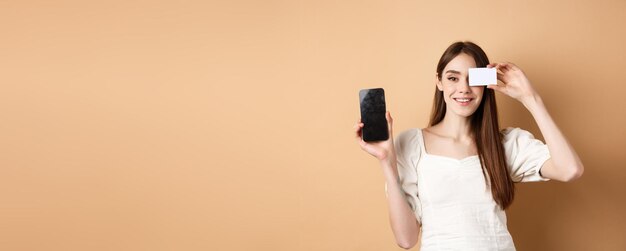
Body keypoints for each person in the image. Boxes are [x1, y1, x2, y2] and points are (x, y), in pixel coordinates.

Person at [353, 41, 584, 250]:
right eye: (453, 78)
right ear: (439, 82)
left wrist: (530, 98)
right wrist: (387, 162)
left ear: (486, 84)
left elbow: (570, 169)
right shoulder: (411, 144)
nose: (463, 88)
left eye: (473, 79)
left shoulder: (504, 144)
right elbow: (406, 239)